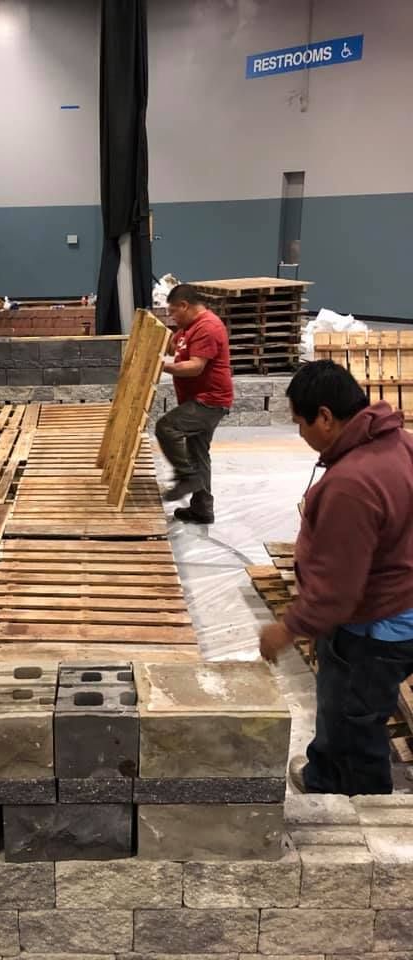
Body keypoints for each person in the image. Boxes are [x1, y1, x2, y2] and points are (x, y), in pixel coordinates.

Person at [259, 360, 413, 796]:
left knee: (352, 720)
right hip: (402, 604)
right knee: (341, 713)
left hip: (374, 626)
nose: (301, 434)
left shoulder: (352, 483)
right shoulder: (400, 444)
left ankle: (361, 806)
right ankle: (323, 773)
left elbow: (339, 585)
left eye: (299, 423)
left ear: (324, 417)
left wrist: (287, 628)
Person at [154, 283, 233, 524]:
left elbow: (195, 366)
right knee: (199, 455)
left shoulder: (207, 327)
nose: (173, 317)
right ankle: (202, 509)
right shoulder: (187, 329)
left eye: (173, 312)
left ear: (184, 305)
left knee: (167, 427)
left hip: (210, 401)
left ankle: (186, 476)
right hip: (198, 399)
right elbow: (170, 345)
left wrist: (159, 367)